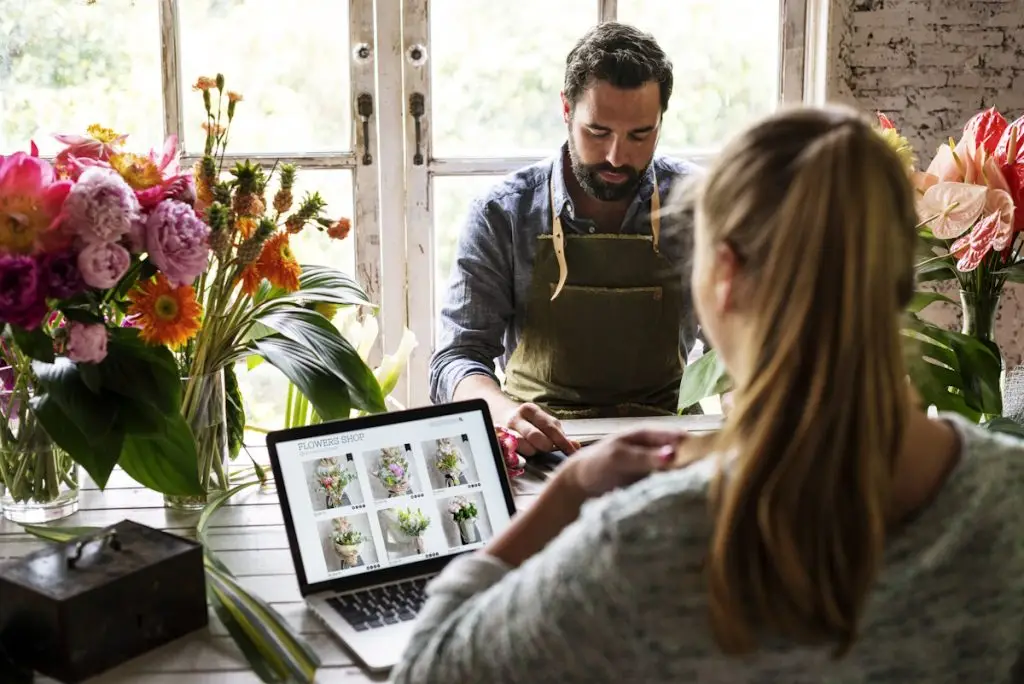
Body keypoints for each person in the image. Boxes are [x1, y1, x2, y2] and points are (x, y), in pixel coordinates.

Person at [389, 105, 1024, 683]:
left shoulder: (646, 542)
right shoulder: (1010, 492)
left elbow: (431, 669)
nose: (617, 153)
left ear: (724, 274)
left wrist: (573, 489)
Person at [428, 22, 704, 456]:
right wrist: (502, 412)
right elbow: (456, 360)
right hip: (542, 447)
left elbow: (743, 344)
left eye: (640, 135)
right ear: (566, 109)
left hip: (668, 445)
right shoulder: (503, 212)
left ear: (661, 120)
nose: (617, 156)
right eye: (598, 132)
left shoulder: (700, 204)